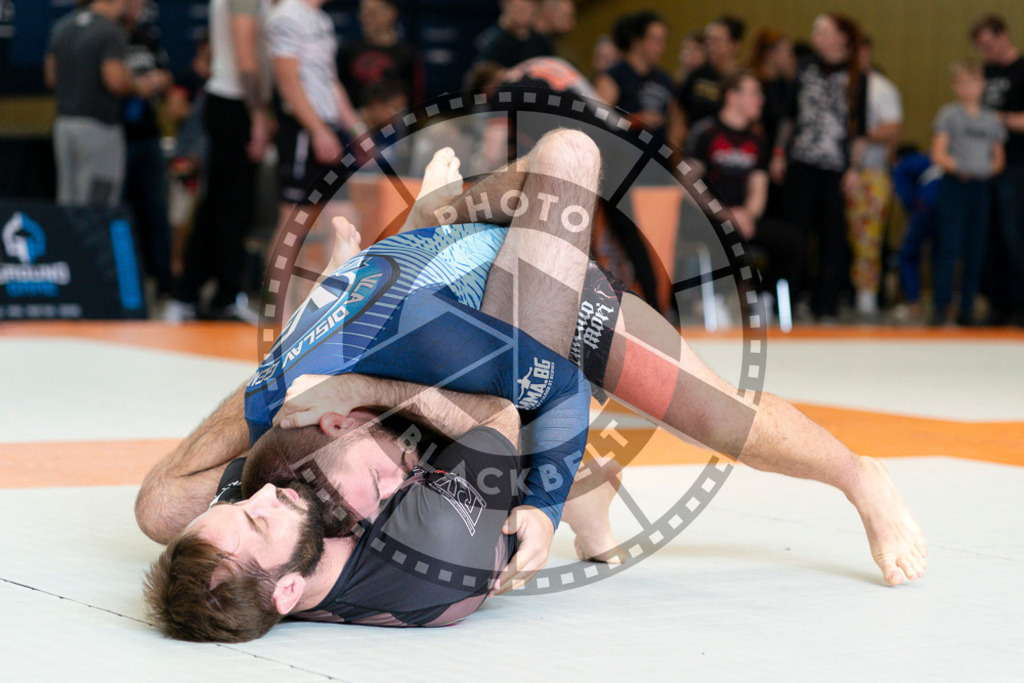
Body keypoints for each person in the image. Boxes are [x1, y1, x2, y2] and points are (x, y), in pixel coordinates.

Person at [139, 131, 927, 643]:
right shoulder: (315, 477)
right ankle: (585, 487)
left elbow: (551, 390)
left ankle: (860, 476)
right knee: (162, 508)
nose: (260, 498)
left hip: (511, 295)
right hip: (414, 309)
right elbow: (176, 498)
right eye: (254, 518)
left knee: (720, 418)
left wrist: (543, 506)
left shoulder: (315, 422)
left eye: (245, 502)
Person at [165, 0, 272, 323]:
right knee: (231, 210)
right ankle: (221, 296)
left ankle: (191, 295)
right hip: (234, 104)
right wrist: (258, 114)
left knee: (220, 207)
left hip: (233, 103)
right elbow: (245, 55)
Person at [771, 13, 867, 321]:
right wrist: (779, 153)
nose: (816, 36)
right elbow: (789, 116)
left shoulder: (856, 76)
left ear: (841, 37)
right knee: (794, 233)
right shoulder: (805, 68)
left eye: (823, 31)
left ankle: (825, 304)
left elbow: (859, 129)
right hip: (801, 162)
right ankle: (786, 301)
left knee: (832, 237)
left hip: (835, 167)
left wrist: (854, 168)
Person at [686, 70, 803, 303]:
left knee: (792, 242)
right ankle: (716, 300)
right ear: (732, 96)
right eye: (754, 93)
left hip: (742, 216)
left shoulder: (757, 139)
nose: (761, 99)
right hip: (708, 216)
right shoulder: (705, 132)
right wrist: (726, 214)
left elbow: (759, 189)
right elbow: (688, 186)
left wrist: (747, 215)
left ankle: (764, 298)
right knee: (725, 234)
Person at [593, 11, 672, 308]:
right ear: (636, 41)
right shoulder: (613, 76)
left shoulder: (664, 80)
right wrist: (635, 120)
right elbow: (597, 120)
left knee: (657, 246)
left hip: (657, 174)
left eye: (663, 40)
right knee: (630, 242)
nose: (660, 47)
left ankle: (660, 306)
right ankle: (651, 308)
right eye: (654, 39)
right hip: (620, 174)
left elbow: (677, 124)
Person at [45, 0, 148, 206]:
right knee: (98, 202)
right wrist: (141, 86)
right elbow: (115, 81)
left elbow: (51, 78)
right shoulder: (111, 30)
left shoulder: (63, 26)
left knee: (68, 200)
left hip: (64, 124)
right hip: (99, 127)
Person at [929, 59, 1006, 326]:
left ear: (982, 85)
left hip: (980, 188)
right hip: (955, 186)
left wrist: (982, 170)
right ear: (955, 86)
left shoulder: (991, 119)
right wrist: (960, 168)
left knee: (976, 249)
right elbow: (938, 153)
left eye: (974, 82)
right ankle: (941, 307)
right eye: (963, 82)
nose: (969, 88)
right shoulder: (949, 115)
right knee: (949, 247)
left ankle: (967, 309)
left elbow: (998, 158)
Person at [844, 36, 903, 320]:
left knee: (867, 237)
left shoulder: (881, 88)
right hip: (834, 169)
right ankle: (835, 291)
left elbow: (893, 130)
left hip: (870, 172)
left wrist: (861, 135)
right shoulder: (837, 84)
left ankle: (866, 293)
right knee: (837, 236)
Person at [972, 15, 1024, 326]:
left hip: (1016, 167)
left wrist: (998, 119)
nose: (985, 52)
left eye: (989, 45)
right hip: (985, 168)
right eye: (980, 47)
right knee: (988, 239)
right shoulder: (986, 71)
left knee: (1014, 237)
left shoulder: (1021, 70)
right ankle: (997, 305)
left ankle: (1020, 305)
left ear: (1003, 36)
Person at [120, 0, 174, 299]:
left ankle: (163, 278)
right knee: (121, 212)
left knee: (156, 209)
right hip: (117, 136)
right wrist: (136, 85)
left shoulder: (147, 37)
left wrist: (158, 80)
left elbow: (166, 77)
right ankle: (126, 281)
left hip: (148, 136)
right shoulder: (108, 35)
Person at [673, 15, 746, 149]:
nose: (710, 46)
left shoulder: (744, 82)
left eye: (717, 41)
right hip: (695, 149)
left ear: (734, 45)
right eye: (708, 40)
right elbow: (678, 113)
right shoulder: (697, 75)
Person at [337, 0, 423, 110]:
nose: (365, 18)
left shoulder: (407, 53)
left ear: (391, 13)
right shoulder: (348, 50)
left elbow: (416, 97)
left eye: (372, 12)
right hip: (356, 116)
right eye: (362, 12)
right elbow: (338, 93)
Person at [475, 0, 553, 68]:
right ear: (506, 6)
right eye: (517, 7)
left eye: (527, 7)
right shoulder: (491, 41)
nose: (522, 12)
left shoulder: (541, 42)